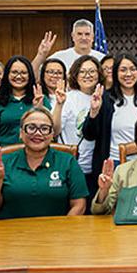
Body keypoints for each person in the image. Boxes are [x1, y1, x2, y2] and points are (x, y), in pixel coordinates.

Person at [0, 107, 88, 219]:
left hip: (56, 233)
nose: (37, 133)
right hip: (10, 234)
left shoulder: (68, 161)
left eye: (44, 129)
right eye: (31, 128)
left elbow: (79, 205)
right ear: (21, 133)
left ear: (52, 135)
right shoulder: (4, 162)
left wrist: (63, 230)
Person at [83, 53, 137, 172]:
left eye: (133, 69)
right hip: (114, 164)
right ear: (115, 73)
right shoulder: (106, 98)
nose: (128, 74)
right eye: (123, 70)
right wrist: (94, 112)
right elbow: (89, 134)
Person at [0, 55, 54, 149]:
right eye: (14, 72)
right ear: (7, 74)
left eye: (24, 73)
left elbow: (53, 130)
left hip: (37, 153)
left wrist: (39, 108)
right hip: (7, 156)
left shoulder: (40, 98)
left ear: (30, 75)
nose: (19, 76)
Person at [60, 56, 103, 204]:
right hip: (72, 166)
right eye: (82, 71)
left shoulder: (105, 98)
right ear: (75, 75)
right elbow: (55, 129)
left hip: (96, 168)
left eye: (92, 71)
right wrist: (59, 105)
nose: (87, 75)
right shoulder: (68, 98)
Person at [34, 21, 106, 72]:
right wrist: (40, 55)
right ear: (73, 36)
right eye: (79, 34)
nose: (83, 38)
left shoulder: (102, 59)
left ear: (93, 37)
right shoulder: (58, 57)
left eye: (87, 34)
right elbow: (34, 76)